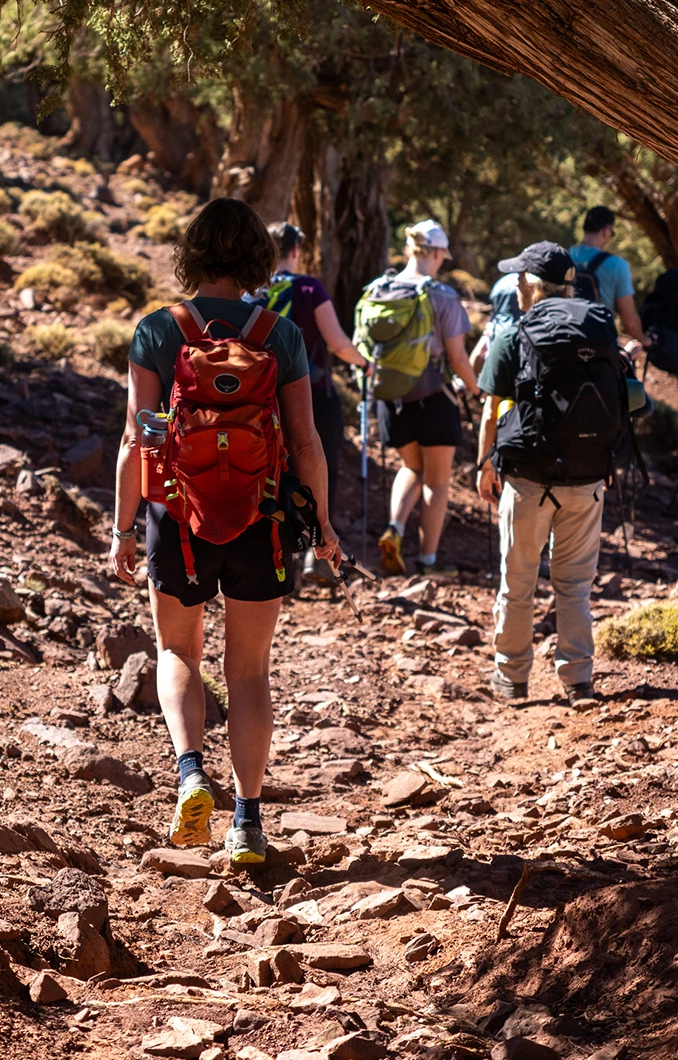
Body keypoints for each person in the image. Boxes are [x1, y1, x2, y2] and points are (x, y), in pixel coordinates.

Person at [111, 198, 343, 865]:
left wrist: (125, 527)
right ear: (255, 259)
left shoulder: (159, 328)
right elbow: (306, 443)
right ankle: (247, 822)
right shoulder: (280, 332)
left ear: (191, 253)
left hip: (177, 517)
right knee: (248, 672)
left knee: (178, 654)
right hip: (262, 521)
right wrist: (322, 525)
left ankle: (190, 775)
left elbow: (138, 437)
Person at [475, 241, 624, 704]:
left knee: (517, 582)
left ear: (531, 285)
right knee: (575, 585)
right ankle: (578, 680)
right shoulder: (598, 329)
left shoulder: (514, 332)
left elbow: (491, 408)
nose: (517, 284)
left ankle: (512, 678)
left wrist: (484, 464)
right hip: (588, 476)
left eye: (521, 278)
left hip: (528, 477)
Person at [245, 222, 370, 585]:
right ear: (296, 250)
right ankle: (317, 555)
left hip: (263, 401)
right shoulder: (309, 287)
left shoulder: (252, 292)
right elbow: (338, 344)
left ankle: (275, 555)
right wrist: (365, 364)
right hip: (314, 394)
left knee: (270, 473)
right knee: (316, 464)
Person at [359, 219, 479, 576]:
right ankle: (428, 562)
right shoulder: (440, 295)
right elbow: (458, 358)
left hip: (390, 398)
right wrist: (476, 390)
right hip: (434, 397)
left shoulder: (376, 289)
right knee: (437, 481)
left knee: (411, 467)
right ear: (439, 253)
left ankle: (394, 528)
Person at [572, 206, 647, 350]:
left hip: (565, 342)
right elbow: (629, 321)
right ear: (606, 230)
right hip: (600, 347)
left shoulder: (564, 257)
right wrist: (644, 339)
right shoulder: (617, 265)